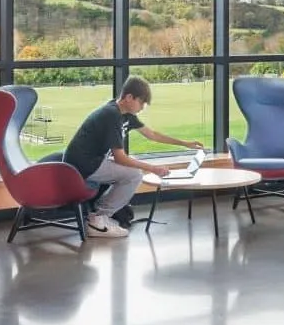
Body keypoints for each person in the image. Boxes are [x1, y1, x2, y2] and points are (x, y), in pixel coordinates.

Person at [61, 76, 203, 238]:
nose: (142, 107)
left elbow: (153, 135)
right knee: (134, 175)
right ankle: (98, 219)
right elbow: (120, 158)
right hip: (82, 166)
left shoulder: (125, 115)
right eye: (141, 102)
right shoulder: (111, 115)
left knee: (131, 168)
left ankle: (100, 213)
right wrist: (153, 168)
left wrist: (185, 143)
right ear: (129, 97)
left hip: (93, 161)